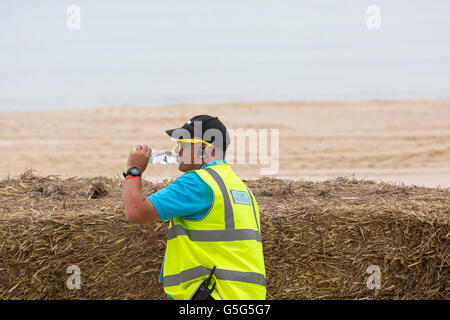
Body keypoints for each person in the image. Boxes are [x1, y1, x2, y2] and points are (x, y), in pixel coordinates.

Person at [122, 115, 266, 300]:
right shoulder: (240, 188)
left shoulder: (198, 183)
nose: (178, 150)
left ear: (205, 149)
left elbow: (135, 212)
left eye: (184, 143)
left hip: (214, 295)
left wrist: (134, 170)